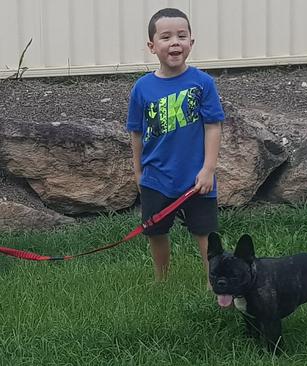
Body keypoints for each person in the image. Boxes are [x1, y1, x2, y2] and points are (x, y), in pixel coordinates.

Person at [126, 8, 225, 284]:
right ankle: (162, 280)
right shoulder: (142, 88)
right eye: (166, 37)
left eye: (182, 36)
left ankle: (214, 283)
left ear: (191, 42)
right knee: (156, 232)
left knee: (205, 234)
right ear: (152, 46)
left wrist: (208, 169)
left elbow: (213, 126)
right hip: (157, 178)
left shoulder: (202, 83)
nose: (175, 42)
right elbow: (135, 133)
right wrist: (138, 173)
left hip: (197, 178)